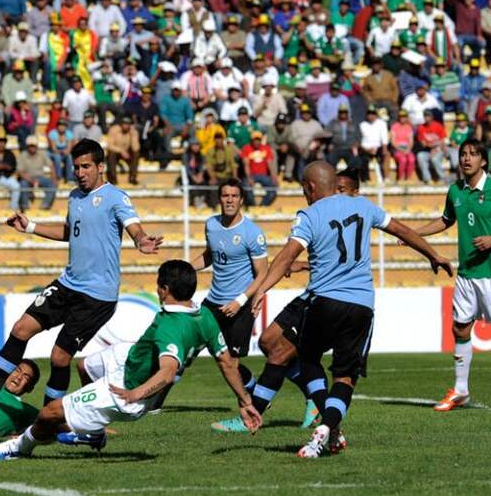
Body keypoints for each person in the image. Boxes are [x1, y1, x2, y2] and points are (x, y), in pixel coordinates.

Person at [250, 162, 451, 457]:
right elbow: (403, 230)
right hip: (361, 305)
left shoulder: (309, 215)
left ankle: (326, 426)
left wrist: (261, 289)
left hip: (324, 302)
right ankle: (328, 429)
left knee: (308, 361)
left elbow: (284, 258)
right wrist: (433, 254)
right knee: (345, 378)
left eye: (304, 188)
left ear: (311, 187)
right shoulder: (364, 207)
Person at [0, 139, 162, 413]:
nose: (80, 172)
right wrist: (30, 227)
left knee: (59, 357)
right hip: (67, 284)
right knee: (20, 329)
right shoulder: (75, 196)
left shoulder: (115, 196)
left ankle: (48, 416)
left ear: (100, 167)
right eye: (76, 167)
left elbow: (133, 227)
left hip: (96, 296)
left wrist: (140, 240)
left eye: (86, 166)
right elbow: (70, 233)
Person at [0, 260, 262, 459]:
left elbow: (167, 373)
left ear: (164, 289)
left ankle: (20, 447)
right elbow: (227, 362)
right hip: (130, 356)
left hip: (129, 384)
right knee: (84, 365)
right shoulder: (205, 317)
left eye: (157, 286)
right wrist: (245, 401)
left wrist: (135, 393)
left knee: (48, 413)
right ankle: (91, 431)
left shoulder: (171, 328)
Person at [409, 140, 491, 412]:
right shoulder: (455, 190)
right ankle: (460, 390)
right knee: (460, 328)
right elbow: (445, 220)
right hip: (467, 274)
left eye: (473, 154)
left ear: (484, 161)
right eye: (463, 154)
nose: (467, 158)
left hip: (490, 274)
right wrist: (413, 234)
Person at [189, 180, 268, 413]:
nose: (230, 200)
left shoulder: (252, 232)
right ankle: (155, 401)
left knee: (231, 362)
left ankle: (248, 408)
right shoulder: (211, 225)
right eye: (225, 195)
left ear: (241, 199)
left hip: (239, 305)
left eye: (234, 195)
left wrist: (242, 301)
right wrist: (185, 268)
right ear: (219, 198)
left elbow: (262, 272)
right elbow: (210, 255)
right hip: (213, 302)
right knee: (193, 348)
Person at [16, 137, 56, 211]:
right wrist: (32, 181)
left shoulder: (42, 154)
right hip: (27, 178)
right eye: (30, 146)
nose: (32, 148)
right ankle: (25, 208)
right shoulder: (22, 155)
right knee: (23, 184)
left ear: (36, 146)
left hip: (40, 177)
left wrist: (54, 178)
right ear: (27, 146)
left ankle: (44, 206)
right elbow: (20, 172)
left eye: (34, 146)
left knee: (52, 184)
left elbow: (51, 165)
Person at [240, 131, 278, 206]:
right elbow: (246, 164)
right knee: (246, 187)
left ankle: (262, 205)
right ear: (252, 140)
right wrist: (249, 177)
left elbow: (270, 164)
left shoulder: (266, 148)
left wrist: (274, 176)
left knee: (273, 188)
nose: (257, 142)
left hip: (264, 175)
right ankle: (252, 205)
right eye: (255, 140)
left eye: (258, 140)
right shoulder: (246, 148)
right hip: (252, 175)